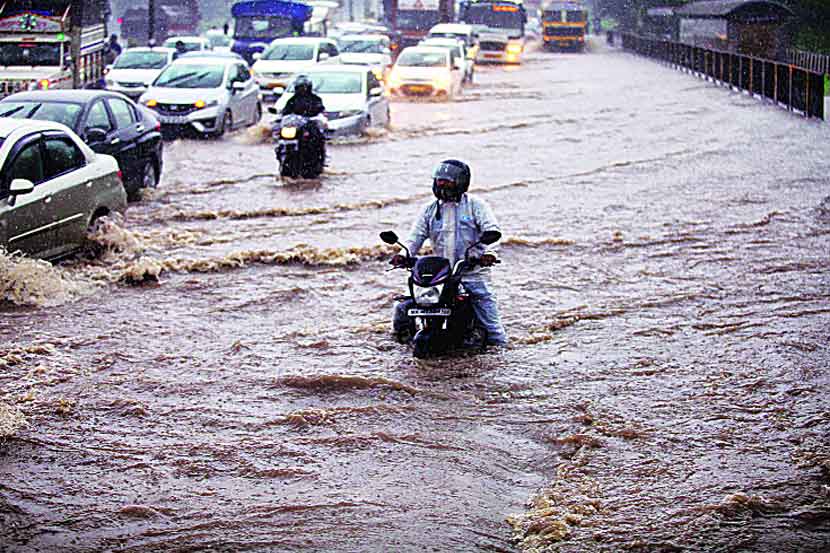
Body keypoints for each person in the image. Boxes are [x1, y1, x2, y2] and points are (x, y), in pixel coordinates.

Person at [391, 160, 508, 346]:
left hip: (472, 273)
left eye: (447, 181)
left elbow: (492, 231)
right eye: (439, 180)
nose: (442, 184)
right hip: (440, 276)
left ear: (461, 182)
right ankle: (400, 348)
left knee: (492, 327)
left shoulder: (476, 206)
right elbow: (415, 237)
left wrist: (489, 254)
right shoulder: (429, 209)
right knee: (401, 308)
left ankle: (500, 357)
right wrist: (403, 255)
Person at [281, 74, 327, 165]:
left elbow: (320, 109)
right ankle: (285, 155)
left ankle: (320, 157)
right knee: (283, 139)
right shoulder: (292, 100)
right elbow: (286, 111)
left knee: (319, 136)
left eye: (304, 87)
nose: (302, 90)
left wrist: (316, 113)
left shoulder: (316, 99)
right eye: (300, 87)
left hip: (312, 125)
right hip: (296, 126)